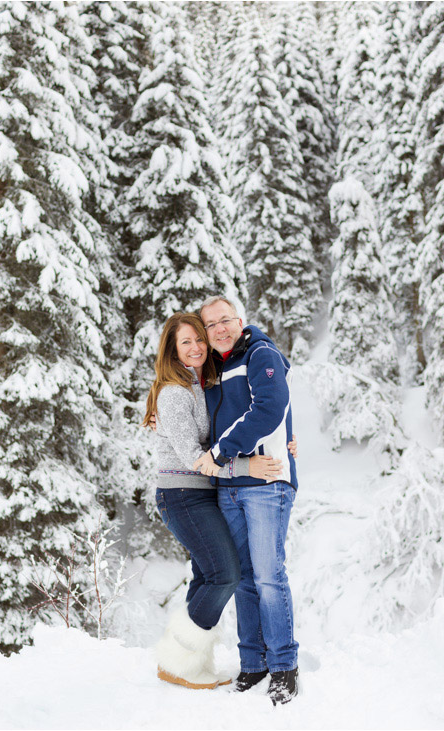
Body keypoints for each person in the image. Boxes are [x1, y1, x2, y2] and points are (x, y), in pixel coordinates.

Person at [143, 312, 283, 690]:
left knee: (208, 575)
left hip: (201, 494)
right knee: (226, 574)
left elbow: (227, 432)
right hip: (182, 494)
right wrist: (246, 466)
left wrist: (283, 443)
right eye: (185, 342)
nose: (195, 347)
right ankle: (178, 661)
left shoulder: (200, 386)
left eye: (198, 339)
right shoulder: (173, 393)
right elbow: (195, 457)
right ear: (172, 350)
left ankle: (186, 663)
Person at [192, 295, 299, 706]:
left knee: (270, 575)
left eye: (226, 320)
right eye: (211, 324)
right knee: (245, 577)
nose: (220, 328)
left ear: (240, 320)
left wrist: (221, 452)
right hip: (229, 486)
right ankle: (252, 663)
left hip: (267, 482)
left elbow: (270, 408)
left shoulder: (260, 353)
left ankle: (284, 665)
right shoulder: (213, 369)